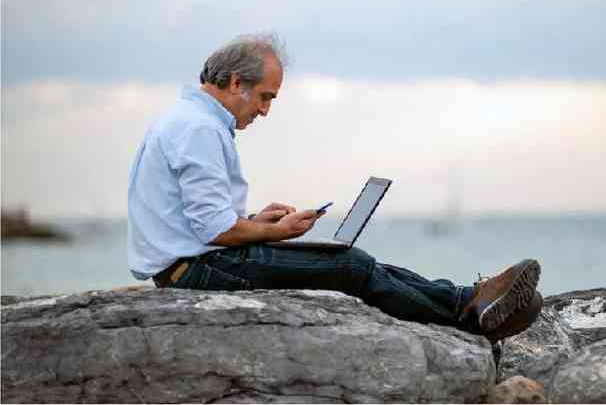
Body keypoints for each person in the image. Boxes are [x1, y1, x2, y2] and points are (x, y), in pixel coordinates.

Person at [127, 33, 543, 343]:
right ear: (236, 83)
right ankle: (468, 323)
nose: (266, 111)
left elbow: (200, 219)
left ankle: (466, 297)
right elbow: (214, 230)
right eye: (265, 97)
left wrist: (254, 221)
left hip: (199, 262)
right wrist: (275, 231)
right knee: (350, 266)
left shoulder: (190, 121)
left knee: (350, 260)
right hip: (195, 272)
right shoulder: (198, 128)